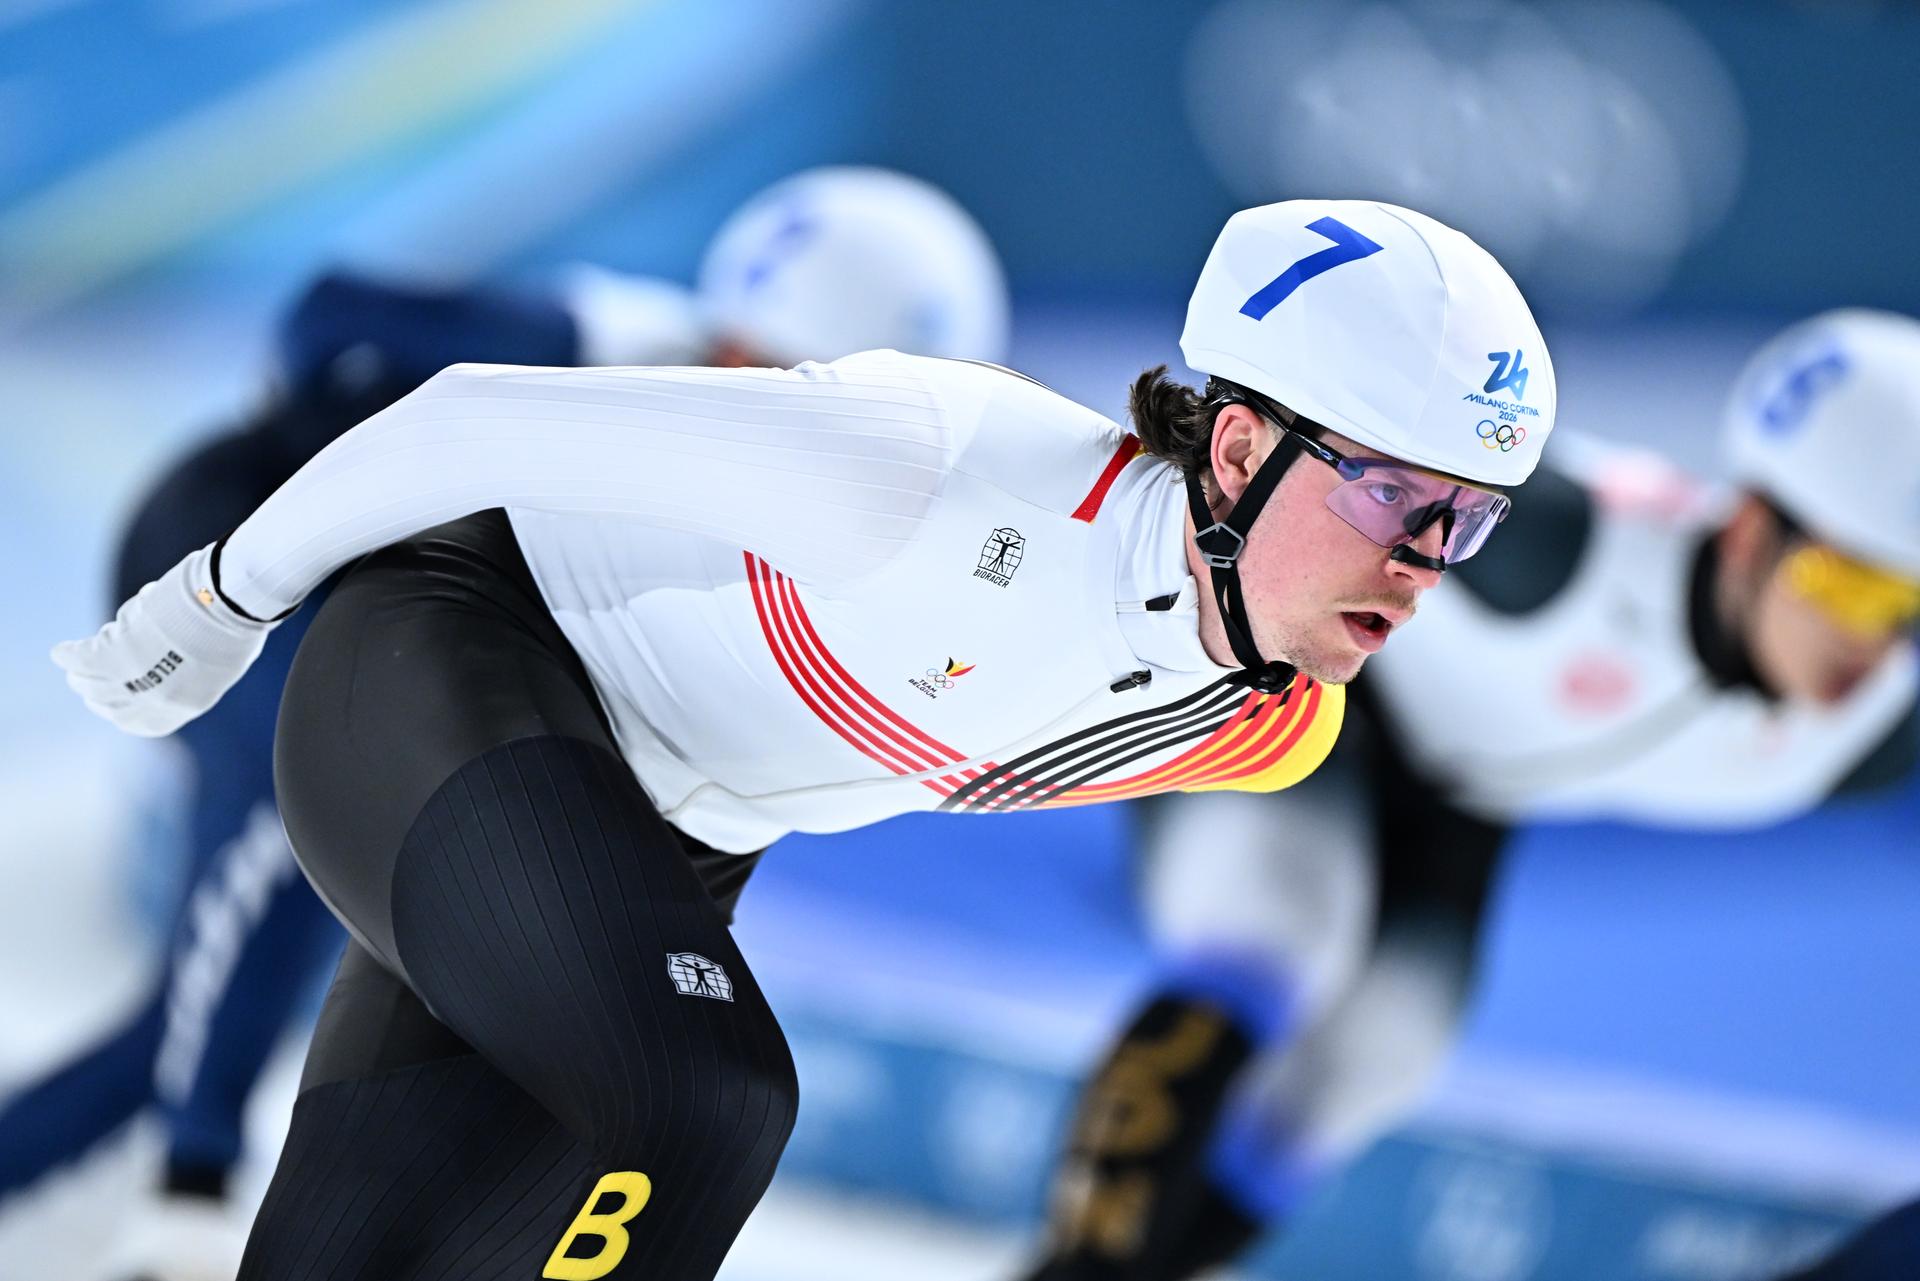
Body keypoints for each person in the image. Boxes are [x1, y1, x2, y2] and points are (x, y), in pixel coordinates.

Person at [52, 197, 1555, 1280]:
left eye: (1469, 519)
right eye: (1395, 497)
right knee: (703, 1097)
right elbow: (468, 420)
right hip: (452, 658)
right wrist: (217, 599)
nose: (1429, 560)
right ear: (1238, 446)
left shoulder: (1267, 723)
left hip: (645, 833)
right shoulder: (935, 465)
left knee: (356, 1239)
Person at [8, 164, 1012, 1281]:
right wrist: (326, 495)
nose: (773, 409)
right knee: (284, 869)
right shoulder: (615, 340)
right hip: (252, 562)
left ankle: (162, 1164)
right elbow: (334, 319)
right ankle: (190, 1173)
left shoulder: (779, 435)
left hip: (335, 601)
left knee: (198, 1005)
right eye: (761, 370)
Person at [1013, 308, 1920, 1281]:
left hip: (1468, 784)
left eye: (1909, 609)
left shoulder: (1875, 730)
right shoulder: (1555, 550)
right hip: (1317, 692)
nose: (1870, 647)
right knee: (1277, 932)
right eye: (1851, 589)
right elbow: (1331, 460)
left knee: (1382, 1051)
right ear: (1747, 535)